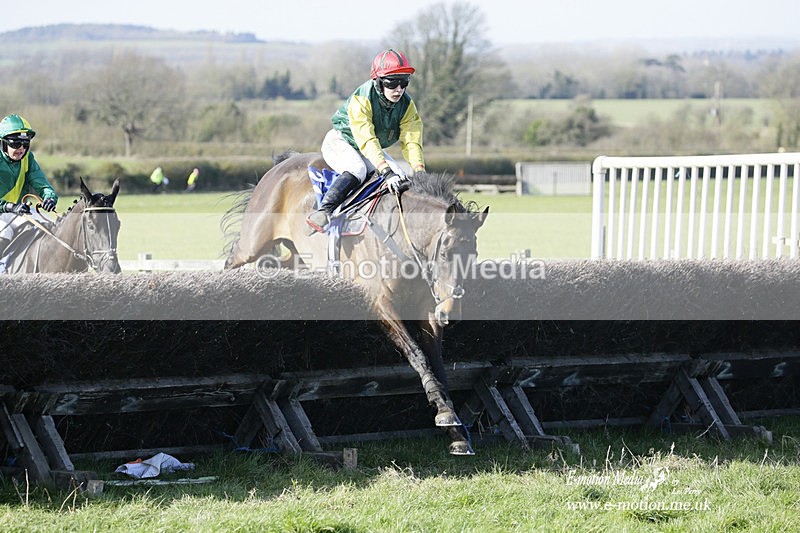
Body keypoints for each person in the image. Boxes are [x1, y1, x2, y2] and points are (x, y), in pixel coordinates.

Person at [306, 48, 426, 234]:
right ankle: (323, 212)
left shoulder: (406, 105)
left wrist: (419, 171)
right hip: (341, 141)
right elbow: (367, 138)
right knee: (358, 170)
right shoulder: (362, 98)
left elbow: (411, 140)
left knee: (400, 175)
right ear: (378, 81)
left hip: (369, 147)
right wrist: (385, 171)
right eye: (392, 82)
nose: (399, 89)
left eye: (404, 82)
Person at [0, 114, 58, 256]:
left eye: (25, 144)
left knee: (52, 227)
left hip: (18, 210)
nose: (21, 149)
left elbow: (42, 183)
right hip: (6, 210)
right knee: (5, 231)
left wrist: (49, 198)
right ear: (3, 143)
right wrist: (10, 206)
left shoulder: (28, 158)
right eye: (15, 144)